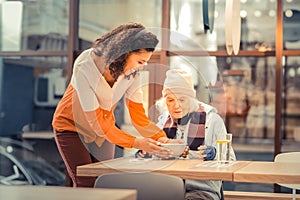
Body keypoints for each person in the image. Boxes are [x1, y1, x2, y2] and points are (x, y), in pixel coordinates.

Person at [52, 23, 180, 188]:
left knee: (105, 181)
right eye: (140, 61)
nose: (142, 66)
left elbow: (138, 116)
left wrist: (161, 138)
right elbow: (97, 124)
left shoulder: (133, 73)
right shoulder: (86, 64)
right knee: (86, 183)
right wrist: (138, 143)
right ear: (124, 53)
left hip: (104, 130)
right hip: (71, 127)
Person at [136, 69, 236, 200]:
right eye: (171, 100)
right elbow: (151, 156)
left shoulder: (212, 120)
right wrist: (145, 152)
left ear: (191, 99)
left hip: (201, 189)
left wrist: (215, 154)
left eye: (182, 100)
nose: (176, 106)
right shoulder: (162, 121)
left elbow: (231, 160)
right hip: (165, 186)